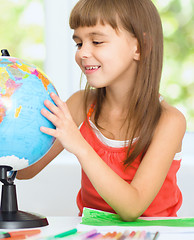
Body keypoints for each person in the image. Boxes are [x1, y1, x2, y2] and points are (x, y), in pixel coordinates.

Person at [17, 0, 186, 221]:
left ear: (140, 47)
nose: (83, 53)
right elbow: (24, 171)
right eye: (78, 43)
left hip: (156, 232)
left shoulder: (169, 120)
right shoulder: (80, 104)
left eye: (96, 41)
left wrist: (78, 144)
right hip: (92, 233)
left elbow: (132, 207)